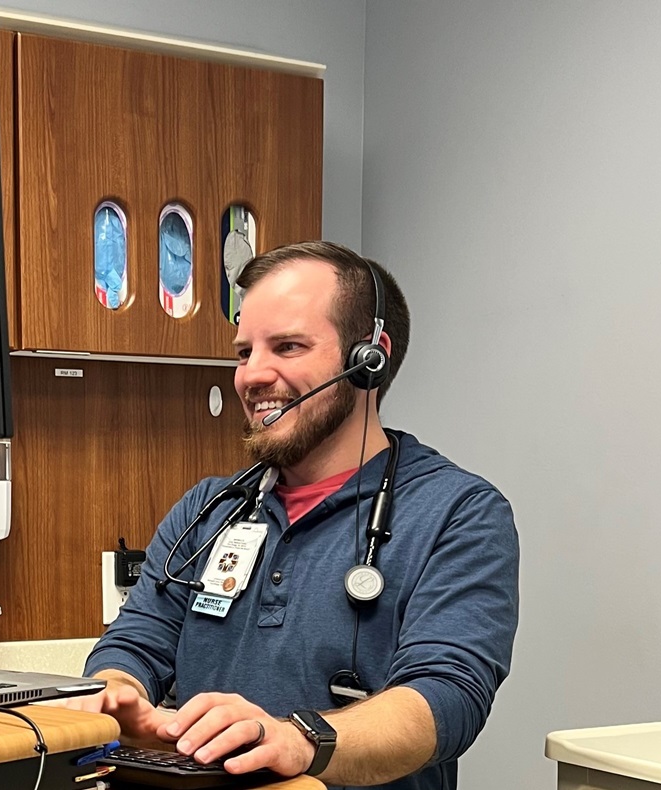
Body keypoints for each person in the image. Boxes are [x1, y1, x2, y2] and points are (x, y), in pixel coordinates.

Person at [69, 241, 519, 790]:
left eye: (287, 346)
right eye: (243, 352)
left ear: (367, 359)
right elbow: (137, 642)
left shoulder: (458, 513)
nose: (251, 376)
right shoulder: (207, 509)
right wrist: (118, 691)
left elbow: (446, 698)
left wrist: (296, 739)